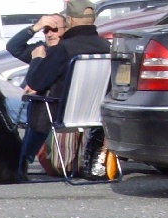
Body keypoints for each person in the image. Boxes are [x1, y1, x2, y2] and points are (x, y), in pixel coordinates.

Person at [20, 0, 111, 166]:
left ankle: (21, 159)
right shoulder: (106, 47)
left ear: (70, 20)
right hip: (96, 115)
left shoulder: (64, 49)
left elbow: (35, 82)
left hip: (61, 115)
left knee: (7, 106)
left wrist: (37, 59)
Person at [3, 14, 66, 129]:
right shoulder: (41, 49)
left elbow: (43, 82)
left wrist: (37, 60)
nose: (50, 34)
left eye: (54, 29)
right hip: (32, 103)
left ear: (65, 30)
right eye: (46, 30)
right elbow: (13, 47)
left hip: (44, 108)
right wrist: (34, 28)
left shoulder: (65, 51)